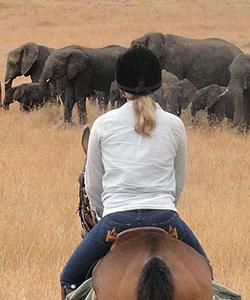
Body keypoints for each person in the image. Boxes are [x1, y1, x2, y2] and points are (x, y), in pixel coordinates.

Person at [60, 47, 209, 299]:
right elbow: (178, 180)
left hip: (116, 219)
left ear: (120, 89)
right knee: (206, 272)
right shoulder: (175, 125)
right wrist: (164, 207)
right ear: (157, 87)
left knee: (69, 278)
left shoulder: (103, 125)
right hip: (165, 216)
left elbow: (93, 184)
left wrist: (103, 214)